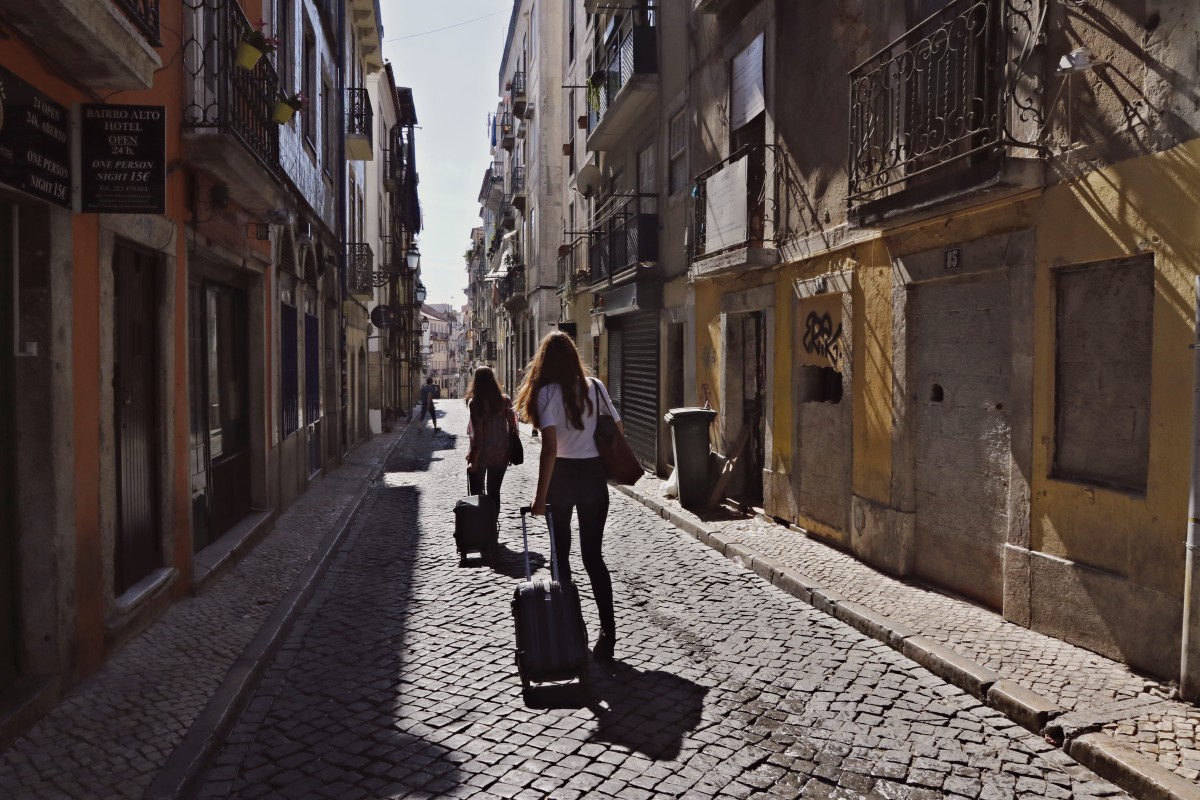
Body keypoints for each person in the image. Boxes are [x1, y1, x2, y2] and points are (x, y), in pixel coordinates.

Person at [515, 331, 619, 662]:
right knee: (594, 557)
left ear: (544, 361)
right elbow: (617, 432)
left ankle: (571, 629)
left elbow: (549, 449)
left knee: (562, 558)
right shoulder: (596, 387)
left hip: (561, 479)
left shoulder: (546, 393)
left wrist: (539, 497)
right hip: (592, 478)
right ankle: (608, 631)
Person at [465, 366, 516, 509]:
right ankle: (492, 525)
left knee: (477, 494)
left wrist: (473, 460)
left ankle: (480, 526)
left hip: (480, 455)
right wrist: (509, 450)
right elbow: (513, 427)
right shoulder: (505, 400)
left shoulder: (475, 403)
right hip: (501, 454)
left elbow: (477, 436)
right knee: (494, 492)